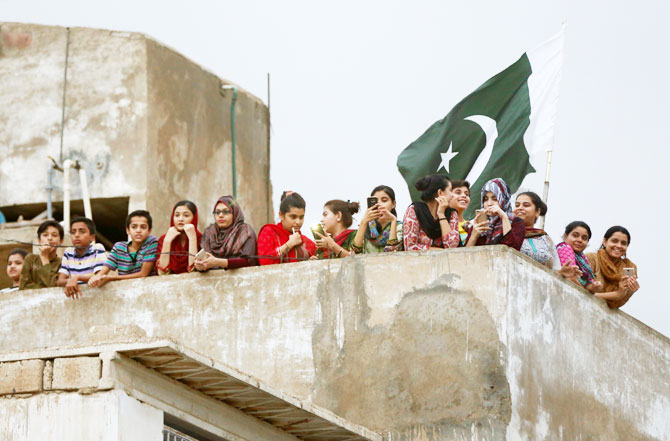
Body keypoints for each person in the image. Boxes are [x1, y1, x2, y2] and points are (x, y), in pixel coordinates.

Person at [513, 191, 580, 279]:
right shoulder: (507, 232)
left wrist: (561, 272)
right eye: (517, 205)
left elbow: (556, 269)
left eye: (526, 205)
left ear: (537, 212)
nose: (520, 208)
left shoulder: (546, 239)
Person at [89, 210, 158, 287]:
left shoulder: (152, 243)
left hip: (147, 289)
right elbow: (102, 272)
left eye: (143, 227)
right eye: (134, 227)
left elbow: (143, 274)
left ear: (149, 231)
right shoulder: (119, 247)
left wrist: (111, 278)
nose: (138, 230)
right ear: (127, 230)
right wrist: (96, 278)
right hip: (125, 291)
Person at [195, 196, 257, 271]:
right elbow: (205, 260)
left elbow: (248, 261)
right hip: (214, 281)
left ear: (235, 213)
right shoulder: (209, 233)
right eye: (217, 212)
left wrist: (219, 262)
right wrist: (200, 266)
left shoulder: (245, 231)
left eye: (226, 212)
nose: (220, 215)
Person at [586, 226, 640, 308]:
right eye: (614, 241)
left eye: (623, 243)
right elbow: (584, 293)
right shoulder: (591, 258)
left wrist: (629, 293)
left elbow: (616, 305)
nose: (618, 245)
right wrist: (618, 294)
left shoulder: (629, 266)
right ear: (605, 241)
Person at [403, 174, 459, 251]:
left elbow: (452, 247)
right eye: (450, 190)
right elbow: (410, 247)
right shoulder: (414, 210)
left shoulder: (452, 214)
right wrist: (440, 251)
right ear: (440, 193)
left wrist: (441, 214)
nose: (452, 195)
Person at [257, 192, 316, 265]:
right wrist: (289, 245)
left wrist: (311, 263)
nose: (298, 222)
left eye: (301, 217)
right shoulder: (269, 232)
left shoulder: (305, 241)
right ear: (281, 215)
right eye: (293, 217)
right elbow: (264, 262)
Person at [465, 178, 525, 250]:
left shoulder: (516, 223)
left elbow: (513, 250)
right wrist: (474, 235)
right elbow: (465, 255)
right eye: (486, 199)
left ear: (503, 199)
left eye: (495, 199)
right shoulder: (478, 224)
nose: (489, 204)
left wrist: (504, 218)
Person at [57, 216, 107, 299]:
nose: (76, 235)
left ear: (92, 237)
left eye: (82, 231)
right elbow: (60, 281)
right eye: (73, 232)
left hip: (95, 297)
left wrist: (77, 277)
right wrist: (70, 281)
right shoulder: (68, 252)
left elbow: (99, 277)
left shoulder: (97, 248)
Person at [351, 185, 403, 254]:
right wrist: (363, 222)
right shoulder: (365, 228)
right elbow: (353, 254)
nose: (379, 204)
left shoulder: (400, 227)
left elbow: (392, 253)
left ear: (393, 204)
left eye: (384, 200)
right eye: (375, 202)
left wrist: (393, 220)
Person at [156, 200, 202, 275]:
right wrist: (167, 241)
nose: (180, 219)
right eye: (177, 215)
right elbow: (162, 272)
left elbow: (194, 271)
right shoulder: (163, 238)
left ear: (194, 218)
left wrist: (192, 239)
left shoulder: (201, 238)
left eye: (186, 215)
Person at [555, 221, 603, 294]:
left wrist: (594, 287)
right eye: (575, 235)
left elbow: (587, 285)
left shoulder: (582, 258)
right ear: (565, 236)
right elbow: (571, 278)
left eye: (584, 238)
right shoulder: (564, 247)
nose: (580, 240)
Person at [20, 220, 64, 290]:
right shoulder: (30, 259)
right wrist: (45, 287)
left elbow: (55, 288)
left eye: (54, 235)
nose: (49, 238)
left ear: (61, 241)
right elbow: (23, 287)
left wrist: (44, 257)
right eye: (45, 235)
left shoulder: (63, 263)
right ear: (39, 240)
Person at [449, 180, 471, 246]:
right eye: (458, 193)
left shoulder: (471, 225)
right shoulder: (443, 224)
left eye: (467, 194)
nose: (464, 196)